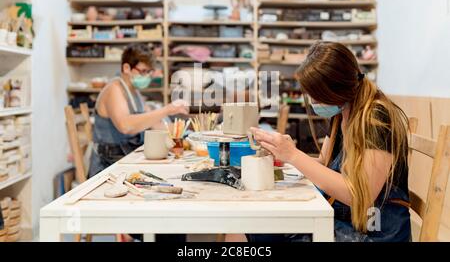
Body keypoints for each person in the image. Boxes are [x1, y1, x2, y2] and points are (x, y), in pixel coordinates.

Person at [227, 41, 411, 242]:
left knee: (255, 227)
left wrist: (294, 155)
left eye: (317, 94)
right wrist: (284, 155)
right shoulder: (342, 113)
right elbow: (323, 165)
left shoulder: (376, 118)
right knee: (246, 222)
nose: (313, 101)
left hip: (376, 231)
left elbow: (360, 196)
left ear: (336, 89)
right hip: (346, 217)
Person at [88, 45, 189, 178]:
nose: (146, 76)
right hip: (107, 165)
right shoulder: (114, 89)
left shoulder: (135, 92)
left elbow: (154, 123)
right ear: (126, 68)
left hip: (125, 157)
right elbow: (126, 126)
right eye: (143, 71)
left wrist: (187, 134)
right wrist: (166, 110)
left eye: (149, 72)